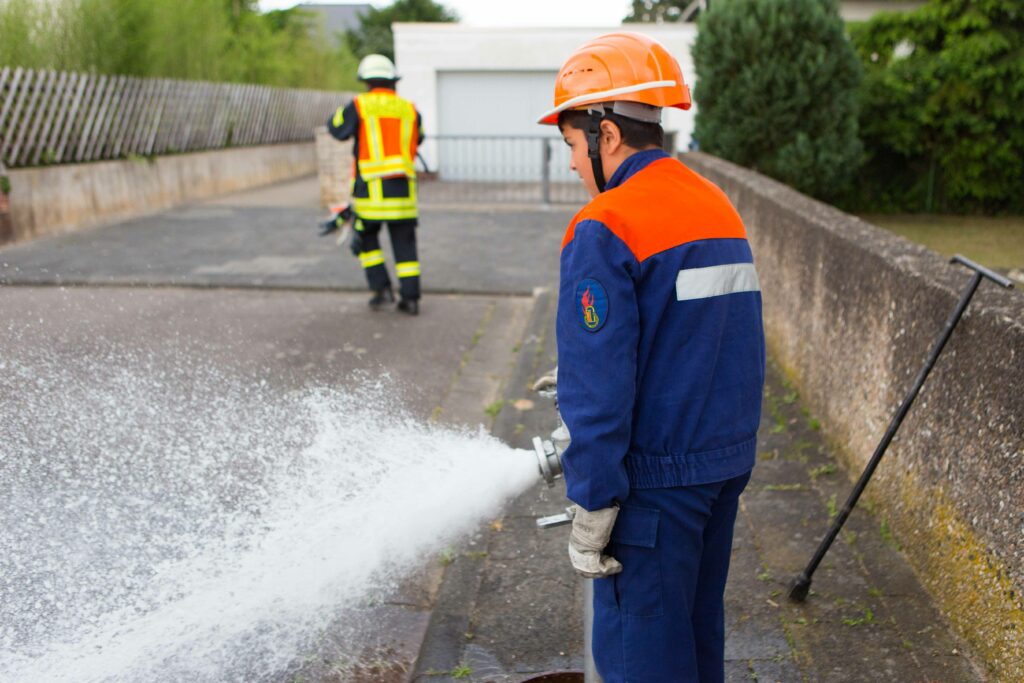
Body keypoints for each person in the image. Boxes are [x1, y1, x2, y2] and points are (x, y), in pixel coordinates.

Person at [537, 32, 766, 683]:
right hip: (722, 464)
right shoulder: (715, 204)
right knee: (695, 640)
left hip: (656, 486)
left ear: (605, 134)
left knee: (644, 657)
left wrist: (594, 501)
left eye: (573, 147)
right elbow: (707, 332)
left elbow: (601, 387)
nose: (576, 166)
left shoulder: (606, 223)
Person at [327, 53, 424, 315]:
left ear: (366, 81)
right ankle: (411, 299)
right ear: (392, 80)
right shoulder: (409, 108)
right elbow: (420, 137)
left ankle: (381, 290)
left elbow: (336, 128)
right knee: (405, 246)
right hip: (403, 194)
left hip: (371, 193)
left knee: (367, 241)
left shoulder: (359, 105)